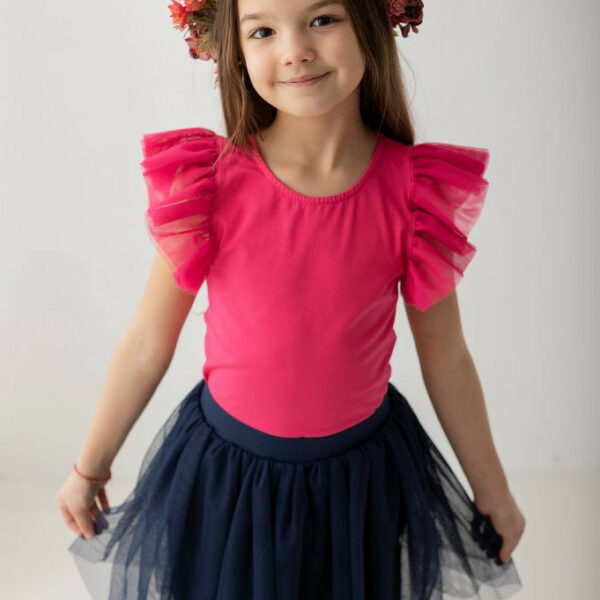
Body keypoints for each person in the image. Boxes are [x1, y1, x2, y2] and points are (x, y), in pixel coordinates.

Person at [57, 0, 526, 598]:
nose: (295, 50)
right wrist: (89, 466)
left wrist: (493, 490)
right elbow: (148, 341)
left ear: (370, 22)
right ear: (234, 49)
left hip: (358, 488)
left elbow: (448, 359)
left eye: (322, 19)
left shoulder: (413, 193)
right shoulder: (210, 183)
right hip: (228, 481)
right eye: (263, 30)